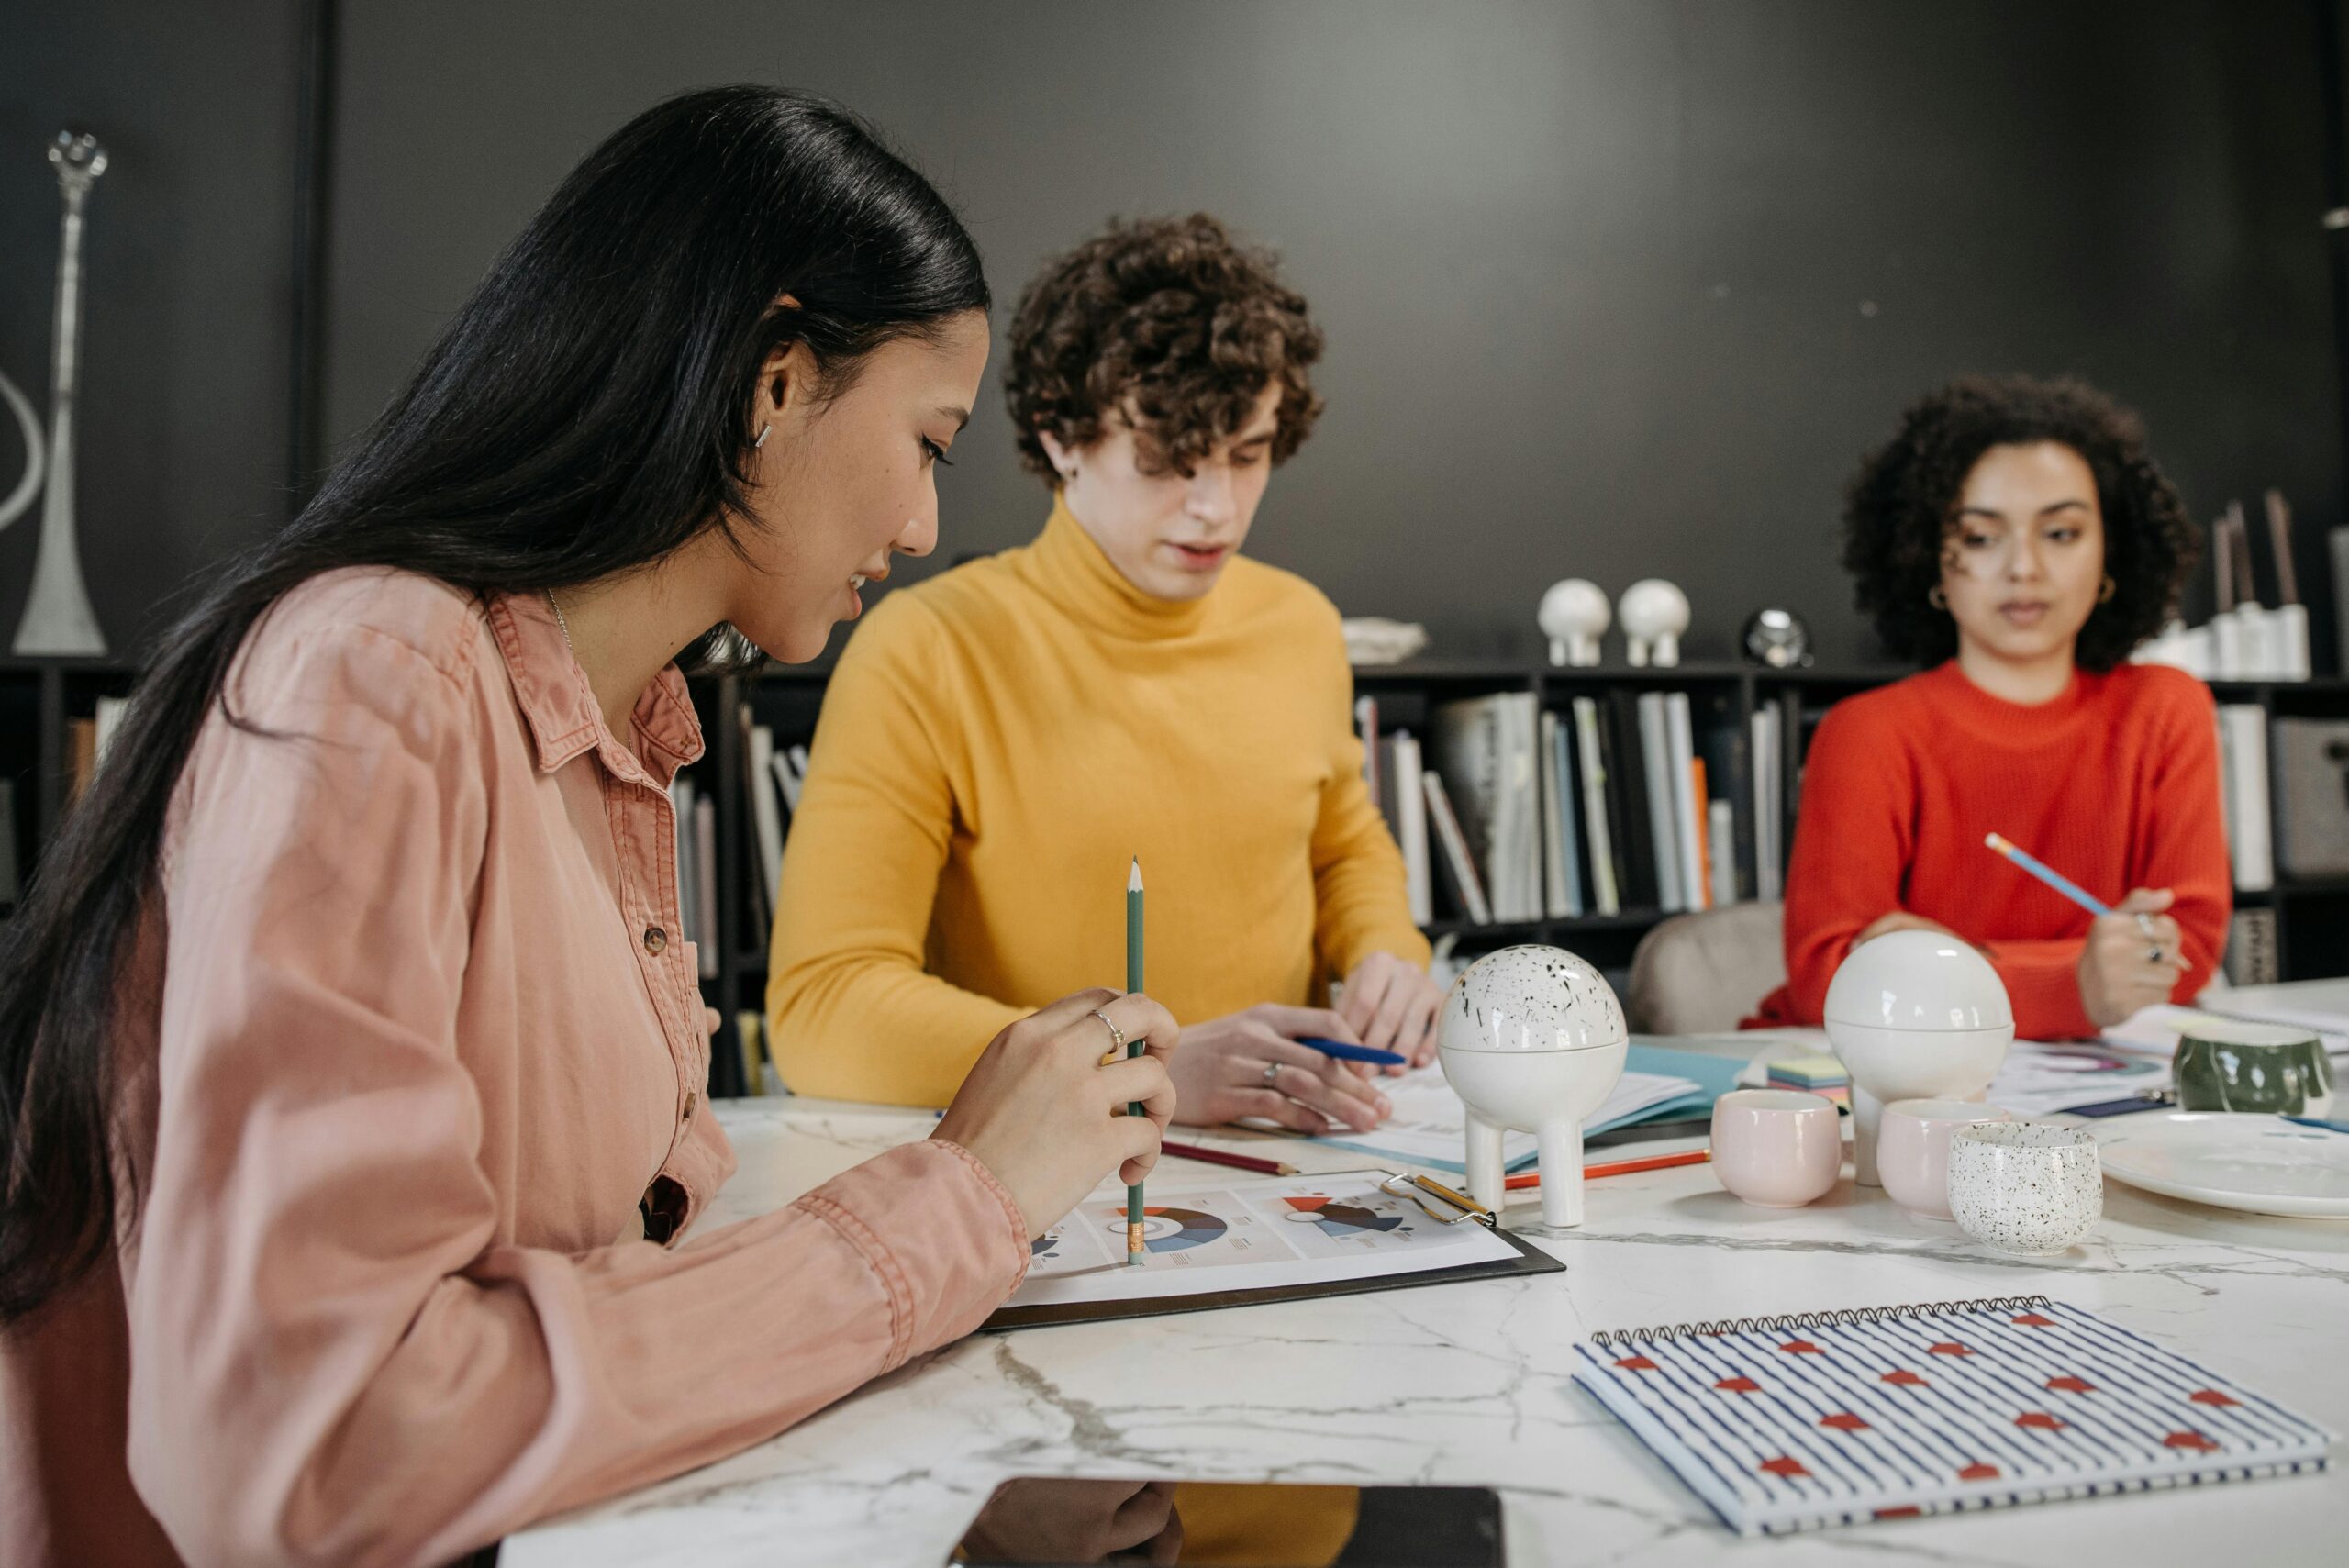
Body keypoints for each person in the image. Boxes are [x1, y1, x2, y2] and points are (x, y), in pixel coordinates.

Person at [0, 87, 1178, 1568]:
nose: (930, 525)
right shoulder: (380, 673)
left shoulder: (619, 737)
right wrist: (963, 1196)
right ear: (776, 376)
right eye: (931, 440)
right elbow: (316, 1450)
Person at [767, 215, 1437, 1134]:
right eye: (1167, 462)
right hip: (1045, 1177)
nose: (1217, 506)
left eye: (1248, 454)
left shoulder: (1300, 624)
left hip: (1293, 1160)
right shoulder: (929, 648)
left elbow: (1340, 844)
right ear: (1060, 438)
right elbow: (823, 1011)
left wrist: (1386, 954)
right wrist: (1134, 1063)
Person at [1755, 373, 2228, 1040]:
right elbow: (1827, 979)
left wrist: (1943, 963)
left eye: (2060, 533)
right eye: (1981, 537)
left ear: (2111, 552)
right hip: (1864, 1086)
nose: (2023, 567)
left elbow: (2186, 951)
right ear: (1929, 560)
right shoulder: (1865, 733)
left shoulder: (2165, 710)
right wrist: (2077, 982)